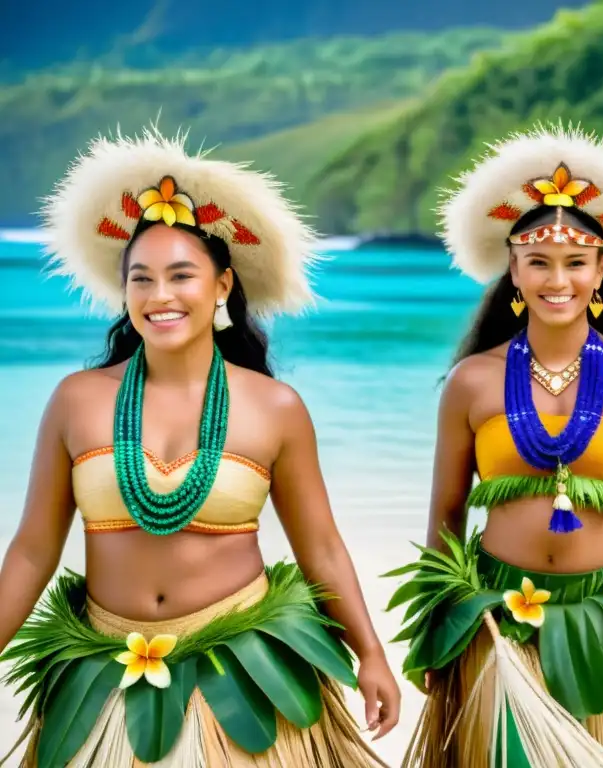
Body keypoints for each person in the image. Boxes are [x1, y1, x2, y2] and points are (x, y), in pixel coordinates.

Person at [0, 127, 399, 766]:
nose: (160, 296)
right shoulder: (77, 401)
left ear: (221, 287)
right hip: (105, 674)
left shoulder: (274, 408)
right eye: (141, 279)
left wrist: (371, 653)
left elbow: (319, 546)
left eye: (181, 275)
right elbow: (32, 549)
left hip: (241, 672)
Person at [385, 124, 603, 767]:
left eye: (575, 263)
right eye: (538, 262)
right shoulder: (473, 380)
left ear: (601, 272)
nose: (557, 279)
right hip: (496, 617)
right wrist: (438, 625)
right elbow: (446, 515)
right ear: (513, 270)